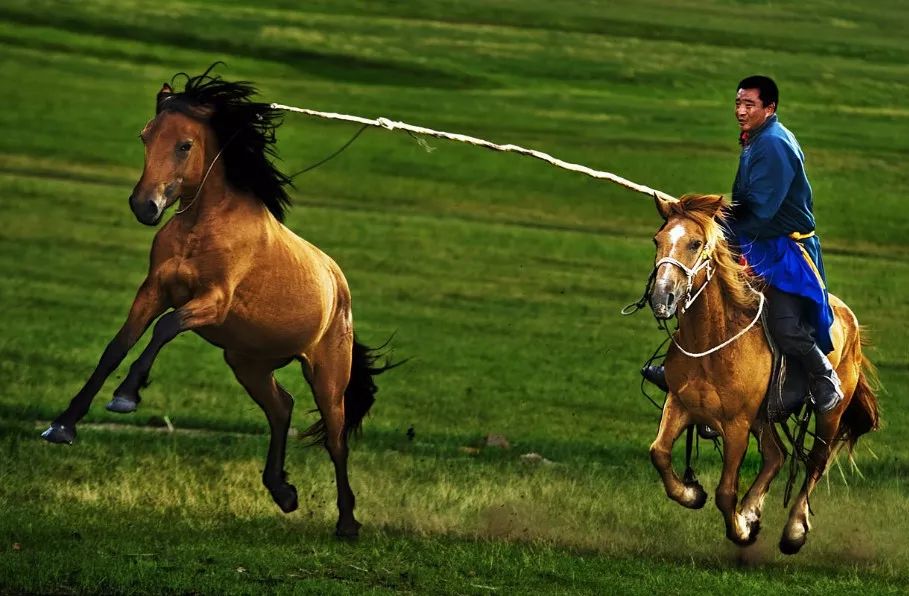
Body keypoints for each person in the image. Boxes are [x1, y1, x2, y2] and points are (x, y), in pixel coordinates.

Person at [642, 75, 843, 416]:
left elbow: (761, 211)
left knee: (783, 321)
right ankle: (685, 369)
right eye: (738, 103)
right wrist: (705, 213)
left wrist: (715, 223)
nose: (741, 111)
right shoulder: (756, 140)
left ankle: (823, 377)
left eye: (749, 105)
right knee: (706, 291)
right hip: (756, 241)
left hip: (783, 251)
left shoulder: (775, 144)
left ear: (770, 108)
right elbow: (746, 203)